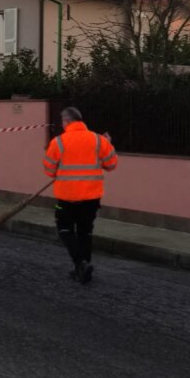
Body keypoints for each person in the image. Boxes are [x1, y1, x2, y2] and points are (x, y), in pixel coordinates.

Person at [42, 107, 118, 284]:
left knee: (65, 229)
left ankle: (80, 262)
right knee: (85, 232)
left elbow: (49, 170)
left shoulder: (58, 142)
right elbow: (111, 164)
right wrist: (108, 144)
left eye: (62, 122)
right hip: (91, 197)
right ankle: (83, 267)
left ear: (67, 121)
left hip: (67, 197)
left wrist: (60, 169)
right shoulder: (98, 140)